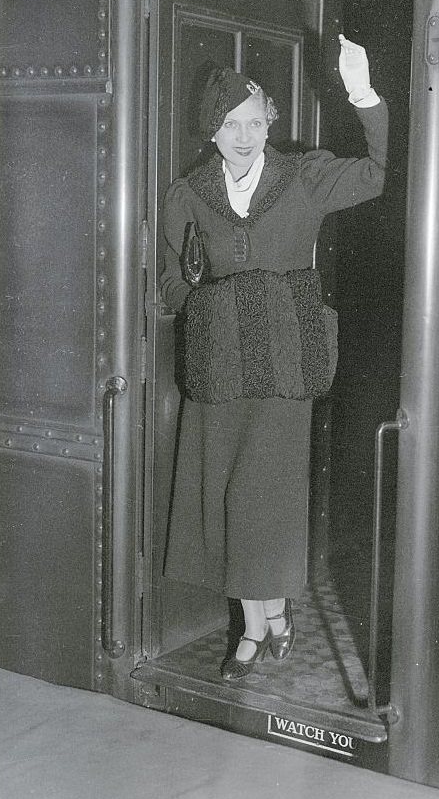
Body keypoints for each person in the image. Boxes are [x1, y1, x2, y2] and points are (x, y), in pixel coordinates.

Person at [160, 34, 388, 681]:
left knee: (264, 497)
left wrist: (362, 92)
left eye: (255, 122)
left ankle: (255, 632)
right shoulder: (189, 193)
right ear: (212, 129)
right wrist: (208, 300)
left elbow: (377, 171)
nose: (243, 135)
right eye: (230, 124)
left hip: (287, 361)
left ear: (271, 125)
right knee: (231, 496)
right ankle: (268, 622)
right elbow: (170, 282)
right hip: (220, 363)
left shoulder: (304, 178)